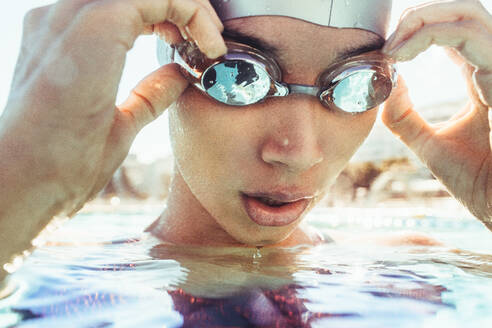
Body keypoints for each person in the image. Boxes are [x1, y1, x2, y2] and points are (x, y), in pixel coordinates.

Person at [0, 0, 490, 287]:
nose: (297, 150)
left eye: (355, 85)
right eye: (239, 76)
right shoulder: (48, 270)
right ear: (172, 70)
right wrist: (22, 196)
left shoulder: (411, 281)